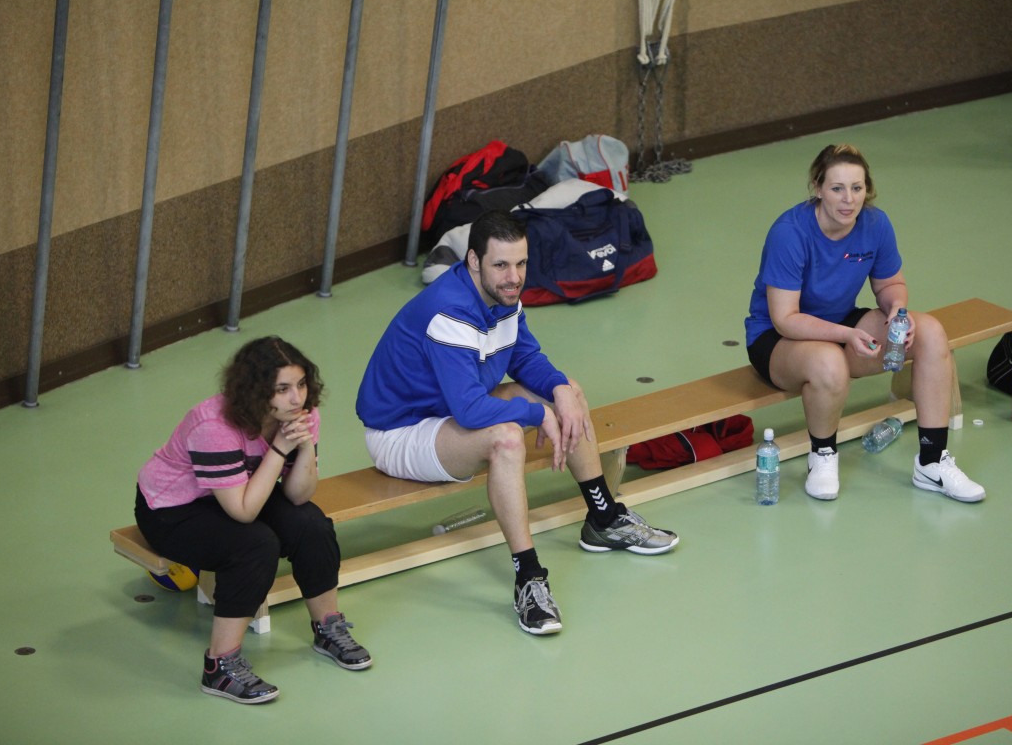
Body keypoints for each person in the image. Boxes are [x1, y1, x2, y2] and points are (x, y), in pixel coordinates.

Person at [356, 210, 679, 636]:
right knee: (507, 438)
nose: (514, 277)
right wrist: (536, 413)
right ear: (474, 260)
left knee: (568, 391)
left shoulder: (503, 296)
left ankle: (603, 518)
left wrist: (558, 390)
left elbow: (524, 357)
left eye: (521, 263)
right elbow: (471, 411)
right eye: (501, 265)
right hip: (401, 431)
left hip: (447, 411)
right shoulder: (448, 311)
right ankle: (528, 577)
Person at [135, 336, 372, 705]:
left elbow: (299, 496)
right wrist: (280, 447)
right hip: (172, 508)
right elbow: (243, 512)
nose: (296, 398)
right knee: (255, 545)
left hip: (239, 489)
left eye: (301, 384)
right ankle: (219, 666)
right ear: (255, 391)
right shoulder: (213, 425)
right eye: (282, 389)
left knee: (311, 524)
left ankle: (328, 628)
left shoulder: (301, 414)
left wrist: (303, 445)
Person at [744, 144, 985, 503]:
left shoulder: (875, 224)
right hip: (776, 338)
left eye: (857, 188)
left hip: (842, 324)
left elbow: (890, 284)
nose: (848, 199)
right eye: (837, 188)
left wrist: (897, 310)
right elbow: (785, 318)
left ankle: (932, 462)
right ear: (817, 187)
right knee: (829, 362)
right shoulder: (789, 233)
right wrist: (846, 334)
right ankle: (822, 455)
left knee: (931, 332)